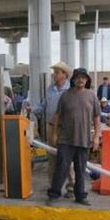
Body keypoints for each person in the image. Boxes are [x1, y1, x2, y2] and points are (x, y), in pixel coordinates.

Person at [48, 67, 101, 205]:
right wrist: (54, 134)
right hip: (65, 139)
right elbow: (57, 116)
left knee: (80, 170)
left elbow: (96, 118)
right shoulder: (65, 95)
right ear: (73, 80)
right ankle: (54, 195)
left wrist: (96, 137)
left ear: (87, 80)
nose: (81, 80)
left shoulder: (92, 96)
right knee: (61, 168)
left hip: (83, 139)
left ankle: (80, 196)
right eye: (78, 77)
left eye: (83, 77)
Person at [36, 62, 73, 194]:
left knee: (66, 157)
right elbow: (44, 104)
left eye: (57, 72)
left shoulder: (71, 90)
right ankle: (53, 186)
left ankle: (71, 186)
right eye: (54, 72)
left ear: (65, 74)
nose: (54, 75)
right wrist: (34, 110)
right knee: (52, 157)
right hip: (51, 127)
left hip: (66, 128)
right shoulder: (50, 89)